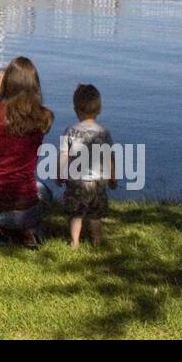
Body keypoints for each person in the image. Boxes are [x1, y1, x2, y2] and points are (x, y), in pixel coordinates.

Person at [0, 56, 55, 249]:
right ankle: (28, 232)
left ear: (6, 84)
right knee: (44, 191)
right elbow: (42, 128)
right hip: (23, 206)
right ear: (34, 85)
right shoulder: (44, 116)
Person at [57, 83, 117, 248]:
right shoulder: (104, 132)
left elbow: (63, 155)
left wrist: (60, 174)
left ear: (76, 109)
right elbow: (110, 158)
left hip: (77, 182)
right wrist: (113, 177)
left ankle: (74, 242)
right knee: (95, 216)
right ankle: (97, 241)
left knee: (76, 215)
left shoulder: (70, 131)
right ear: (99, 109)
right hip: (98, 183)